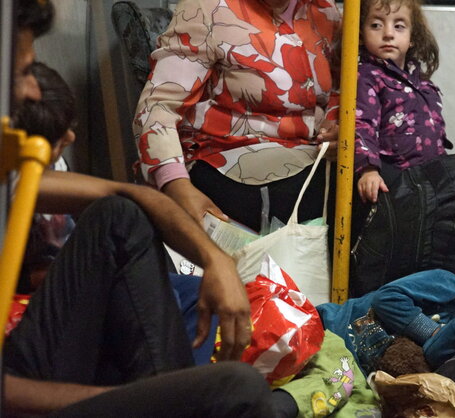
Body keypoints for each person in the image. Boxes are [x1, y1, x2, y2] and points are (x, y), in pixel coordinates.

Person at [4, 1, 279, 415]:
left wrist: (216, 262)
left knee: (120, 214)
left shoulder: (14, 177)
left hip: (40, 362)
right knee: (236, 391)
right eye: (22, 72)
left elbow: (142, 198)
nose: (31, 91)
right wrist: (149, 403)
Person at [133, 0, 341, 232]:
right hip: (226, 159)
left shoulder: (323, 10)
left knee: (376, 181)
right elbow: (158, 105)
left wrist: (335, 131)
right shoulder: (207, 7)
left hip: (310, 157)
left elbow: (337, 91)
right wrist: (176, 185)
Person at [316, 269, 455, 372]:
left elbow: (434, 354)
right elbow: (386, 299)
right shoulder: (452, 289)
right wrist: (433, 333)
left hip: (345, 375)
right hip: (327, 327)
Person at [354, 0, 451, 204]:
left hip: (430, 180)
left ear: (412, 38)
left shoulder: (423, 83)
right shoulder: (366, 76)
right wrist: (368, 169)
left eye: (399, 26)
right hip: (394, 181)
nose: (388, 34)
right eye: (376, 25)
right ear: (361, 34)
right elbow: (361, 125)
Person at [13, 62, 78, 294]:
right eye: (59, 139)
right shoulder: (13, 194)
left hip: (70, 261)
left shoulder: (57, 165)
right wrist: (33, 278)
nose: (71, 137)